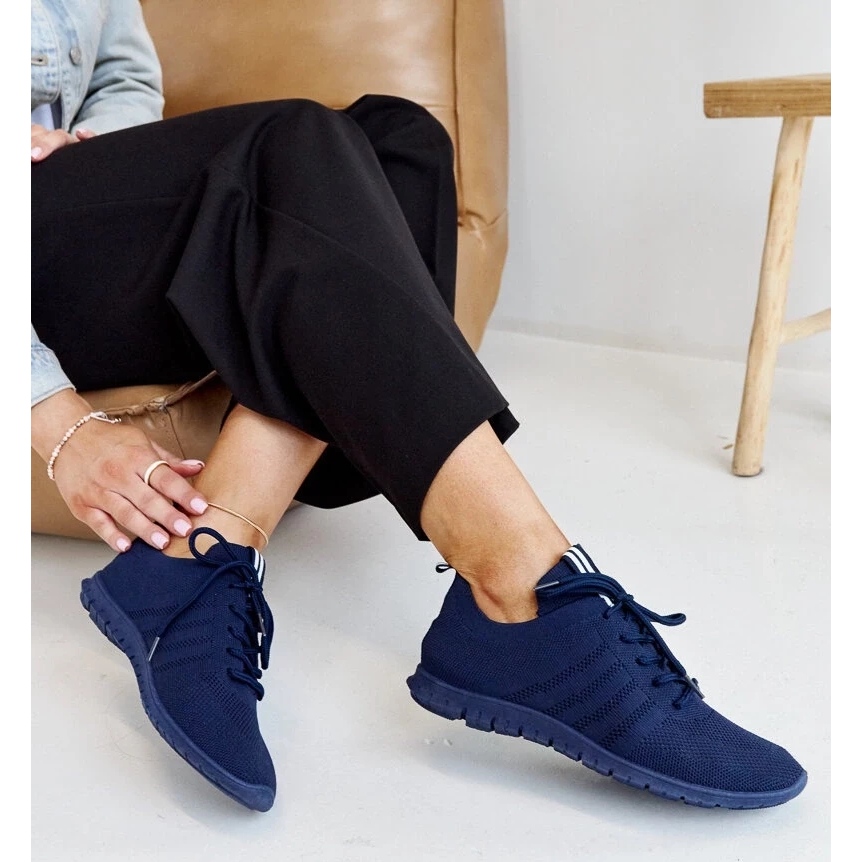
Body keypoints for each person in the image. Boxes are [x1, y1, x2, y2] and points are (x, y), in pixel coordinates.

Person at [31, 0, 807, 814]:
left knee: (401, 136)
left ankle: (204, 551)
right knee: (292, 138)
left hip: (70, 204)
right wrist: (55, 420)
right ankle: (523, 589)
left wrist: (93, 146)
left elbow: (122, 73)